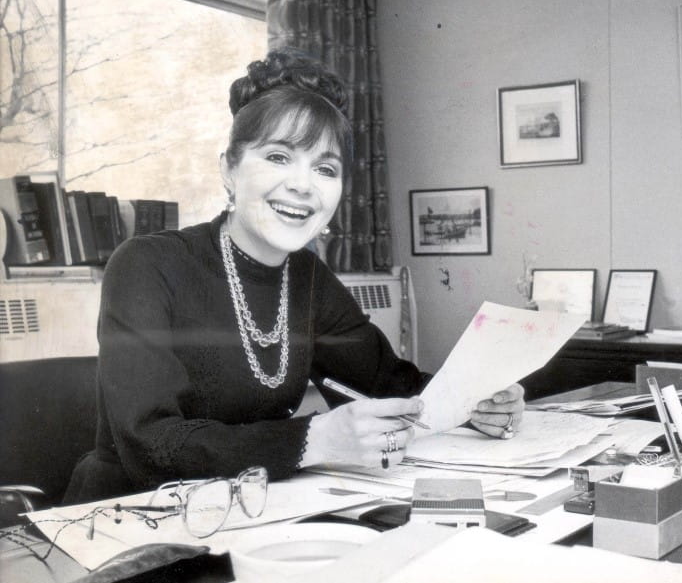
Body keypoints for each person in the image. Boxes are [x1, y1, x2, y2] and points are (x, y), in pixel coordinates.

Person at [64, 48, 524, 504]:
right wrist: (312, 440)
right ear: (228, 168)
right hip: (126, 518)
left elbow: (389, 383)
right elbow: (150, 444)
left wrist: (474, 403)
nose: (303, 185)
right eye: (279, 157)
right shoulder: (147, 264)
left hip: (251, 509)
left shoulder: (307, 277)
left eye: (325, 169)